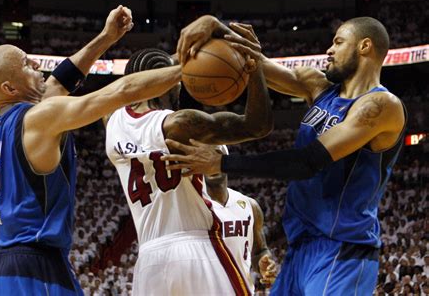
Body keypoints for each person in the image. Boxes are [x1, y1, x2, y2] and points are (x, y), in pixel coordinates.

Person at [163, 15, 406, 295]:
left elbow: (307, 162)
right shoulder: (318, 86)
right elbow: (258, 63)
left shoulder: (381, 105)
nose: (329, 49)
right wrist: (215, 25)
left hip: (342, 251)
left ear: (365, 47)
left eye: (338, 42)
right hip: (300, 248)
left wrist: (222, 162)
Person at [0, 6, 183, 296]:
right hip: (35, 268)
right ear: (10, 87)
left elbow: (60, 82)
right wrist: (187, 68)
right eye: (25, 64)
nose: (36, 64)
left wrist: (106, 37)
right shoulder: (37, 118)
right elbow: (119, 93)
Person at [105, 48, 273, 295]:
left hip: (150, 259)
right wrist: (255, 67)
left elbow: (129, 88)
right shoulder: (181, 124)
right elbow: (259, 125)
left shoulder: (112, 122)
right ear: (169, 83)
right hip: (195, 249)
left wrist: (166, 65)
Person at [204, 150, 277, 293]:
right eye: (205, 158)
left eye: (216, 155)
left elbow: (259, 251)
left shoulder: (250, 205)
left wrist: (264, 263)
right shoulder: (192, 205)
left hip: (241, 290)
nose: (210, 162)